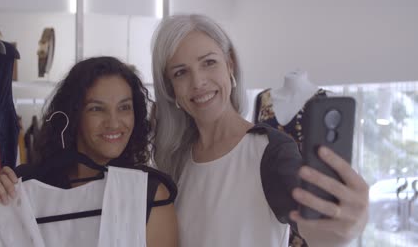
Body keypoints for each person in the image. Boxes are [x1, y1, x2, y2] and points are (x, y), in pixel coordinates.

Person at [151, 14, 368, 247]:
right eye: (180, 72)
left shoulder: (271, 152)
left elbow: (313, 230)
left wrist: (341, 230)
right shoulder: (175, 160)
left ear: (230, 65)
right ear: (171, 88)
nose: (198, 82)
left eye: (208, 62)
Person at [0, 56, 178, 246]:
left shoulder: (148, 195)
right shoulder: (20, 188)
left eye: (124, 107)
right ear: (73, 115)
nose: (114, 122)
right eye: (96, 109)